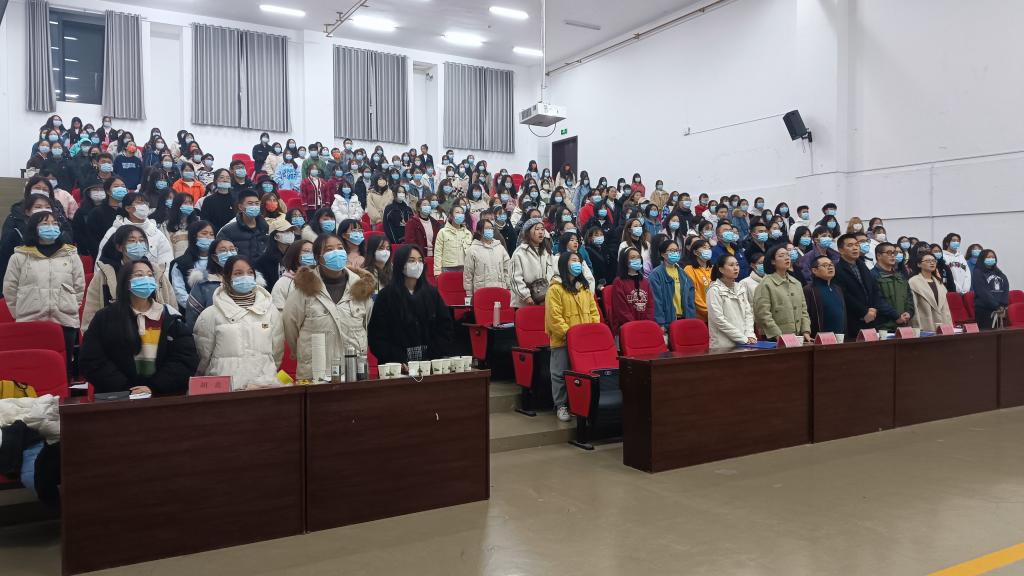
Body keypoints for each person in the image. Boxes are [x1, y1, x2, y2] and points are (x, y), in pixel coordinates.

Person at [80, 259, 199, 395]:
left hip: (162, 397)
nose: (146, 279)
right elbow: (91, 359)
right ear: (126, 283)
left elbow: (185, 359)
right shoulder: (105, 318)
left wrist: (154, 387)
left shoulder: (171, 316)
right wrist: (125, 388)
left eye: (150, 275)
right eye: (139, 275)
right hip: (117, 397)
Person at [2, 211, 86, 372]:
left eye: (54, 223)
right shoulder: (19, 256)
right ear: (34, 227)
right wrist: (20, 312)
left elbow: (79, 286)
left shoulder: (70, 255)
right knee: (33, 368)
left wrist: (70, 306)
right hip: (30, 321)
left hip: (64, 319)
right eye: (45, 224)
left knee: (63, 368)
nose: (51, 227)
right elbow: (10, 289)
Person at [193, 255, 283, 390]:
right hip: (226, 389)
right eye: (238, 273)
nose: (245, 277)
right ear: (227, 277)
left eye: (250, 272)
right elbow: (203, 356)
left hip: (264, 385)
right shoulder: (210, 314)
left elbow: (277, 351)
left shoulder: (271, 311)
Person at [366, 244, 453, 367]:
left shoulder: (432, 293)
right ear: (400, 264)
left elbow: (445, 327)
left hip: (431, 363)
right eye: (411, 260)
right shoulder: (386, 296)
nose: (417, 264)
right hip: (395, 366)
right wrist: (397, 360)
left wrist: (432, 356)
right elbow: (377, 336)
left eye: (420, 260)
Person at [544, 250, 602, 422]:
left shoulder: (584, 288)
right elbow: (554, 318)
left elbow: (594, 312)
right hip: (563, 340)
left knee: (582, 375)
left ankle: (581, 405)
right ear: (564, 264)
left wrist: (590, 332)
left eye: (579, 261)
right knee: (560, 374)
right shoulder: (555, 289)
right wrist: (571, 336)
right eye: (573, 260)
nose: (577, 264)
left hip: (584, 342)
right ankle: (561, 405)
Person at [832, 234, 892, 338]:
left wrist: (874, 309)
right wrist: (864, 312)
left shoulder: (862, 265)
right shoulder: (837, 269)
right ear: (841, 250)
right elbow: (844, 295)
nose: (855, 248)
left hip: (871, 317)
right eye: (850, 245)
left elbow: (874, 289)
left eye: (856, 245)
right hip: (852, 320)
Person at [96, 192, 174, 267]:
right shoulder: (114, 231)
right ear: (128, 208)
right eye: (139, 203)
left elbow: (166, 259)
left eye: (145, 203)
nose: (144, 206)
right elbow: (102, 261)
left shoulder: (155, 231)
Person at [753, 245, 812, 341]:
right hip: (774, 339)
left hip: (797, 337)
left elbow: (804, 310)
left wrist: (806, 331)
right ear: (773, 261)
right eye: (781, 255)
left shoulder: (796, 283)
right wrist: (778, 335)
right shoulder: (766, 284)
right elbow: (763, 314)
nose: (787, 258)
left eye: (788, 255)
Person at [186, 238, 245, 328]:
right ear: (214, 257)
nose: (229, 253)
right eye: (223, 250)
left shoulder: (247, 281)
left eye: (232, 249)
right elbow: (193, 317)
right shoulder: (204, 284)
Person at [707, 254, 757, 348]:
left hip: (745, 342)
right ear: (721, 269)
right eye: (731, 265)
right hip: (723, 345)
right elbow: (718, 320)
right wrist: (742, 338)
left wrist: (749, 334)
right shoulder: (714, 290)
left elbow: (748, 313)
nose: (736, 268)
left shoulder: (740, 287)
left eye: (737, 265)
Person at [648, 239, 696, 332]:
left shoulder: (683, 274)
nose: (675, 253)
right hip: (667, 322)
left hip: (685, 319)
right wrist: (660, 323)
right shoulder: (656, 274)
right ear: (663, 254)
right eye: (671, 251)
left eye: (677, 250)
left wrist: (691, 318)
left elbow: (690, 300)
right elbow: (656, 301)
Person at [169, 220, 215, 309]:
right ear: (194, 236)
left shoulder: (218, 261)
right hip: (192, 311)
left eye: (211, 234)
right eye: (204, 233)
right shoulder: (181, 264)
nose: (208, 237)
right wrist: (198, 309)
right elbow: (179, 292)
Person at [510, 218, 556, 307]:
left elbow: (553, 272)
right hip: (524, 303)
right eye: (537, 229)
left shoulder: (546, 252)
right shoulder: (519, 253)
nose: (541, 232)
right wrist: (526, 296)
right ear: (528, 232)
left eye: (542, 229)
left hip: (544, 300)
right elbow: (515, 279)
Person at [609, 247, 655, 336]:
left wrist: (646, 323)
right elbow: (621, 310)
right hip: (627, 328)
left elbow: (650, 305)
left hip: (645, 327)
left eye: (638, 257)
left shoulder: (645, 282)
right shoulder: (619, 282)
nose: (637, 260)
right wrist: (635, 326)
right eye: (633, 257)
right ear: (625, 261)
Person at [871, 242, 915, 331]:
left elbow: (909, 297)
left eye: (894, 253)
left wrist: (909, 312)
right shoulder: (872, 275)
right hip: (883, 327)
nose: (893, 256)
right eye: (889, 253)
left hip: (903, 325)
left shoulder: (900, 276)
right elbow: (877, 301)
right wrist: (896, 316)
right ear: (879, 255)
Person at [216, 189, 269, 260]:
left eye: (257, 203)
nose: (254, 206)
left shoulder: (264, 227)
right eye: (250, 203)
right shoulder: (228, 230)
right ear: (240, 207)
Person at [463, 219, 511, 295]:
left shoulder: (500, 247)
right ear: (479, 231)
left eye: (491, 228)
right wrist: (469, 294)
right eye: (487, 228)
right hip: (482, 292)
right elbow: (468, 274)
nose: (490, 230)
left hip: (500, 289)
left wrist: (508, 286)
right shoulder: (472, 250)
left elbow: (507, 268)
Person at [908, 252, 953, 331]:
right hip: (925, 324)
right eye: (928, 261)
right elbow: (914, 308)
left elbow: (946, 309)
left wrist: (949, 326)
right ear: (919, 264)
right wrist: (917, 328)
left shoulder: (939, 283)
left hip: (943, 324)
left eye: (933, 261)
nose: (932, 263)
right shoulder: (913, 282)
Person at [803, 255, 846, 336]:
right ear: (814, 270)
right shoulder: (809, 290)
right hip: (819, 338)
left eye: (831, 264)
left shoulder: (837, 288)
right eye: (825, 265)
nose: (830, 267)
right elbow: (805, 315)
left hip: (840, 337)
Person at [255, 219, 298, 291]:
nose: (290, 234)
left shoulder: (296, 255)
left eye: (291, 231)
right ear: (275, 236)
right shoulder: (263, 261)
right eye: (285, 231)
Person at [971, 249, 1009, 330]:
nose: (991, 259)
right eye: (988, 257)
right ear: (982, 258)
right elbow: (983, 292)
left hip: (1000, 311)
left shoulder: (1000, 273)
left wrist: (1003, 305)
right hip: (984, 311)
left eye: (993, 257)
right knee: (987, 336)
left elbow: (1005, 289)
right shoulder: (978, 272)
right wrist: (996, 306)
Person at [272, 239, 314, 310]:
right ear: (294, 254)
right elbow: (278, 311)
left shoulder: (321, 278)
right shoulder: (283, 283)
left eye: (313, 252)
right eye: (306, 251)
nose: (311, 255)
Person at [433, 205, 473, 276]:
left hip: (464, 268)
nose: (460, 215)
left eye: (462, 213)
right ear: (451, 216)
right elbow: (438, 253)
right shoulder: (443, 232)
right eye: (457, 212)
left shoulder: (468, 233)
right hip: (447, 268)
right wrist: (437, 272)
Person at [683, 239, 714, 321]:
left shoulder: (713, 269)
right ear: (695, 252)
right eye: (704, 247)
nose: (708, 250)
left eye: (709, 248)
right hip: (699, 317)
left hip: (716, 315)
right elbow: (693, 294)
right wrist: (708, 311)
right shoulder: (689, 269)